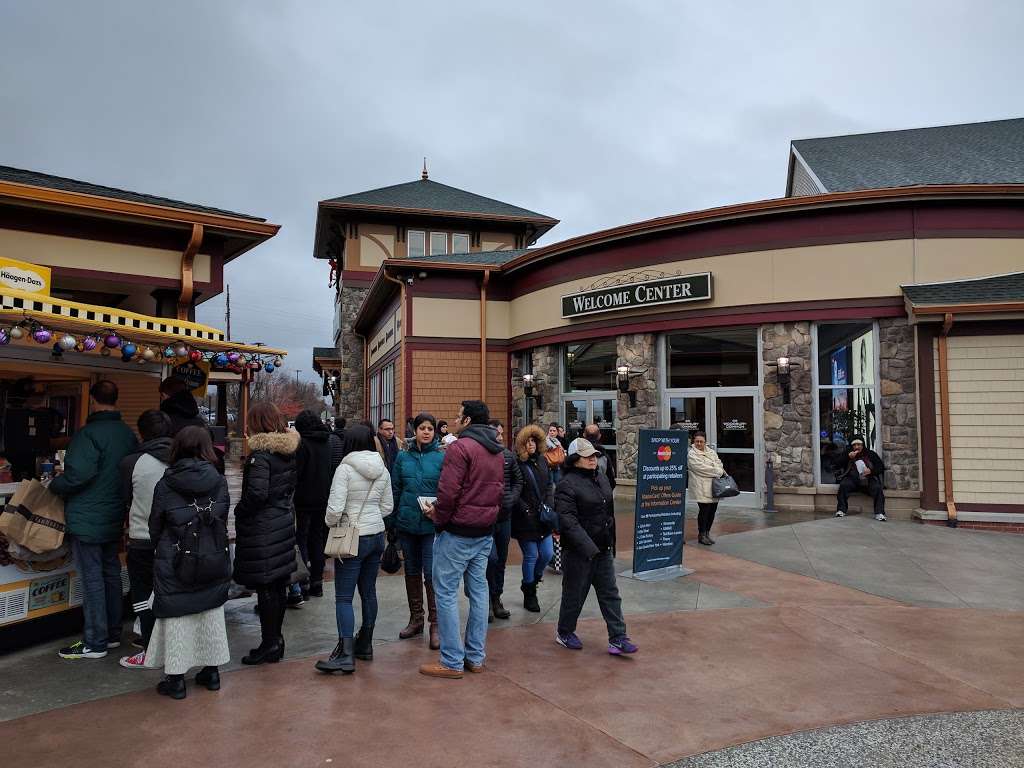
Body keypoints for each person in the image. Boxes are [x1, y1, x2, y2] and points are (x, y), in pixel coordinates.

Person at [143, 427, 231, 699]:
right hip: (212, 552)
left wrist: (163, 548)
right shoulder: (218, 479)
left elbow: (155, 525)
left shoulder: (166, 483)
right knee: (210, 611)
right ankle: (212, 672)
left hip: (176, 553)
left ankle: (177, 679)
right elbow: (222, 516)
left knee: (177, 614)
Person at [419, 400, 504, 679]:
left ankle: (452, 661)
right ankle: (475, 657)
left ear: (468, 421)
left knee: (445, 593)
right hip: (484, 532)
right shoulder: (497, 450)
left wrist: (438, 519)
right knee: (479, 593)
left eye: (459, 416)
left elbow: (448, 492)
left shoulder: (460, 448)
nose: (455, 420)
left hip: (457, 532)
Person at [54, 380, 138, 660]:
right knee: (111, 573)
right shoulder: (127, 434)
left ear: (92, 401)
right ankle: (113, 634)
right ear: (116, 399)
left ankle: (95, 641)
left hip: (87, 516)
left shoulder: (87, 434)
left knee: (92, 578)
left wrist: (55, 485)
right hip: (114, 514)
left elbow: (78, 475)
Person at [316, 425, 393, 674]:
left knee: (343, 597)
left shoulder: (345, 469)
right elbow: (388, 506)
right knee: (368, 591)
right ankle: (365, 643)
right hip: (376, 535)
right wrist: (371, 518)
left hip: (352, 538)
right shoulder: (382, 468)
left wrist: (334, 522)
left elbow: (334, 510)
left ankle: (346, 653)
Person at [554, 438, 636, 655]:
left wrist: (610, 541)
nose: (592, 459)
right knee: (574, 595)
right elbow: (568, 521)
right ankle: (565, 632)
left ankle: (618, 637)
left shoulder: (601, 478)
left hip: (603, 548)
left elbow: (608, 512)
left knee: (610, 594)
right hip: (579, 552)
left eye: (594, 455)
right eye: (587, 456)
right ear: (574, 459)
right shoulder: (566, 484)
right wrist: (588, 547)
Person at [233, 402, 298, 665]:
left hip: (263, 527)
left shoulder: (261, 456)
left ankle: (269, 643)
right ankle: (276, 640)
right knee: (278, 585)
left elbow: (257, 493)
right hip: (281, 521)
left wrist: (240, 510)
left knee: (267, 587)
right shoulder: (286, 452)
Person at [117, 410, 174, 669]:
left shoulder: (131, 462)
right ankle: (174, 648)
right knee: (173, 594)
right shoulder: (183, 458)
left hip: (142, 538)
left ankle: (150, 649)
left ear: (141, 432)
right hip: (176, 539)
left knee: (142, 594)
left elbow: (124, 499)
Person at [390, 413, 444, 649]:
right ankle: (416, 619)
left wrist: (438, 507)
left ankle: (436, 624)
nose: (426, 432)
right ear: (415, 430)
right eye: (422, 428)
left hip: (431, 525)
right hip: (407, 523)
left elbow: (448, 489)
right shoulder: (403, 457)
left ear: (434, 432)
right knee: (411, 571)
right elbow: (395, 488)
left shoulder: (441, 457)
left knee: (431, 574)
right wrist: (392, 522)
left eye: (430, 428)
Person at [512, 424, 554, 613]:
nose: (531, 445)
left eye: (534, 441)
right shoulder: (517, 463)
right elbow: (515, 490)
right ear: (521, 444)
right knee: (531, 555)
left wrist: (549, 503)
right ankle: (529, 592)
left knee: (547, 554)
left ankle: (533, 581)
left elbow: (549, 485)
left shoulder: (543, 461)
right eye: (527, 441)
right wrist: (525, 509)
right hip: (525, 518)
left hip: (543, 516)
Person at [293, 410, 334, 600]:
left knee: (301, 539)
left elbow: (297, 473)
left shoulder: (302, 445)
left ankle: (303, 582)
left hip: (303, 499)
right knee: (317, 539)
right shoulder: (327, 442)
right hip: (322, 497)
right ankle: (317, 582)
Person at [487, 419, 522, 621]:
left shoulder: (508, 456)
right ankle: (485, 599)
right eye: (496, 433)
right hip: (486, 519)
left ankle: (496, 599)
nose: (500, 437)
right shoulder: (482, 455)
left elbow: (518, 481)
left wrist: (512, 498)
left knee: (500, 560)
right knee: (488, 560)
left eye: (501, 433)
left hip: (505, 518)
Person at [835, 435, 887, 521]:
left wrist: (871, 471)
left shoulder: (870, 454)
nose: (857, 447)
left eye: (859, 445)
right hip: (852, 480)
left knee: (877, 488)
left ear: (863, 445)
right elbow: (836, 464)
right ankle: (841, 510)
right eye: (854, 445)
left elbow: (880, 466)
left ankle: (879, 513)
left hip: (868, 480)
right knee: (844, 485)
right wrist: (847, 457)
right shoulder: (848, 453)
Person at [687, 430, 725, 546]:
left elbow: (719, 463)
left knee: (712, 510)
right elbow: (701, 469)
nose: (699, 443)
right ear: (694, 441)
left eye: (701, 441)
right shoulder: (692, 454)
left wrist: (716, 469)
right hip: (701, 487)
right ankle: (701, 534)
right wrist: (718, 471)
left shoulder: (711, 452)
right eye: (697, 441)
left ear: (705, 442)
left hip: (714, 487)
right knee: (704, 510)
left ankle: (707, 533)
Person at [583, 424, 617, 489]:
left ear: (584, 435)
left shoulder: (576, 455)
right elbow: (611, 480)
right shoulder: (604, 457)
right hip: (600, 492)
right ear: (599, 436)